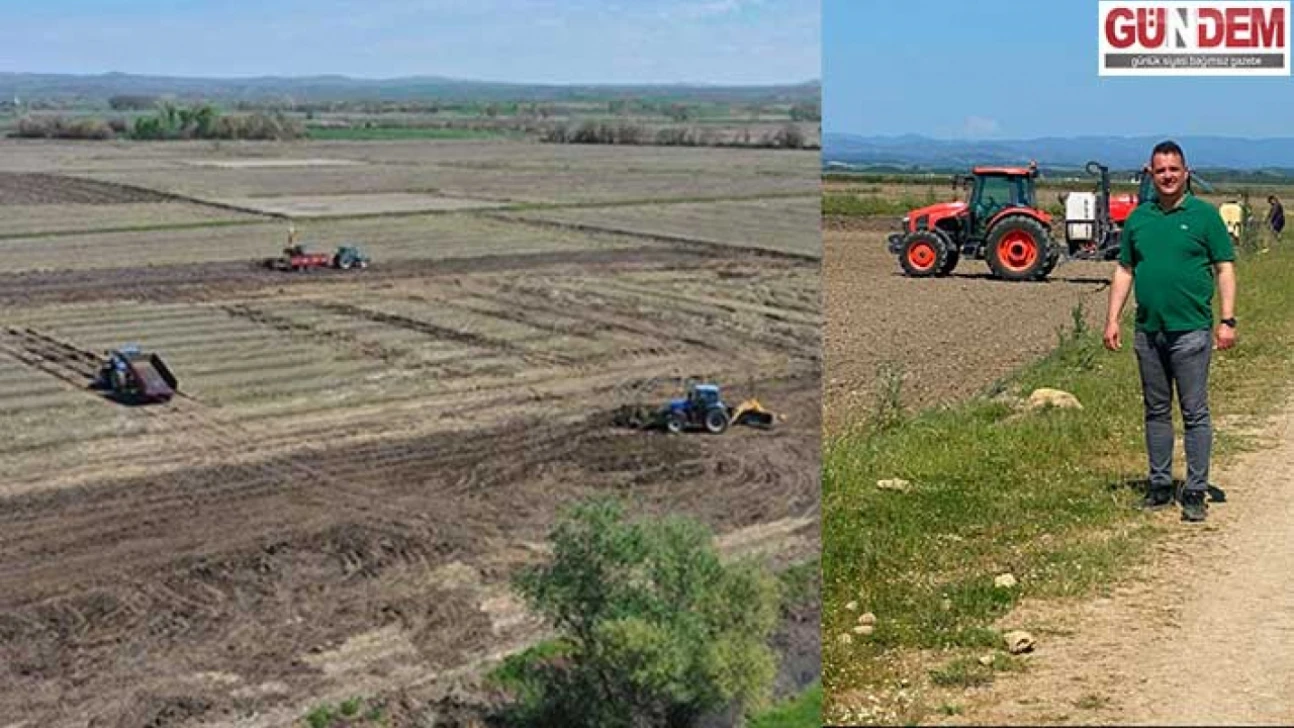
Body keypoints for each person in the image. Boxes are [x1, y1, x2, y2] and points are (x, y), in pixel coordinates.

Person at [1103, 140, 1236, 522]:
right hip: (1149, 331)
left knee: (1194, 412)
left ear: (1185, 173)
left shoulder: (1204, 217)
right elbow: (1125, 269)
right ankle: (1160, 485)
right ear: (1150, 173)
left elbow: (1224, 268)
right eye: (1160, 170)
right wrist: (1112, 318)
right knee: (1156, 411)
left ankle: (1194, 490)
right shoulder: (1138, 219)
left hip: (1191, 331)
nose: (1167, 176)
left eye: (1173, 169)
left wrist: (1227, 320)